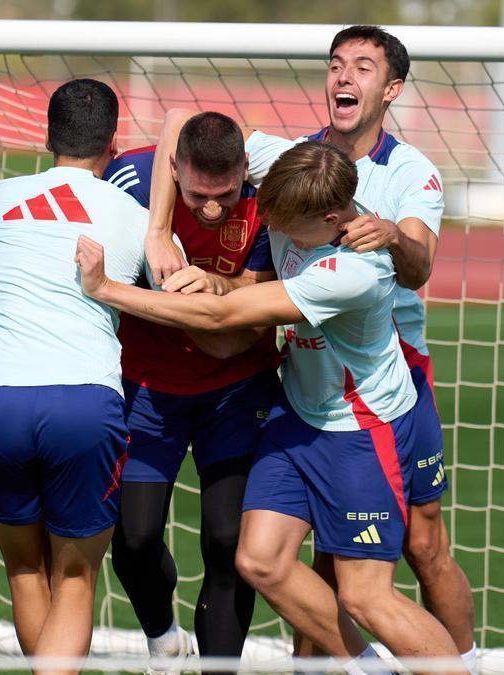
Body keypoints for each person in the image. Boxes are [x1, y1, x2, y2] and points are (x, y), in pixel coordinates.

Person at [143, 25, 477, 673]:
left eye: (363, 67)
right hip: (307, 377)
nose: (344, 76)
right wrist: (159, 231)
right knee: (299, 560)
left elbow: (418, 267)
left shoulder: (410, 173)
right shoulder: (293, 159)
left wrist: (392, 237)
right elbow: (182, 120)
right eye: (335, 64)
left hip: (389, 379)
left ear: (392, 89)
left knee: (421, 546)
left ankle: (468, 661)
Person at [76, 141, 464, 675]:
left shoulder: (355, 271)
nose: (270, 226)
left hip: (360, 430)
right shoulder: (299, 177)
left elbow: (221, 318)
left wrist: (105, 288)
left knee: (366, 595)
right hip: (297, 414)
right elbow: (182, 125)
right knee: (259, 560)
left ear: (330, 220)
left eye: (284, 223)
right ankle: (369, 668)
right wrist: (159, 230)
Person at [0, 78, 151, 675]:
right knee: (75, 577)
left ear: (47, 137)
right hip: (83, 400)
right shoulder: (136, 217)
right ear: (114, 144)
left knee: (25, 569)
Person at [100, 111, 279, 669]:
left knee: (228, 542)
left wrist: (212, 291)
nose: (212, 209)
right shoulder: (128, 182)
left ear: (245, 168)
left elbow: (265, 294)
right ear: (173, 167)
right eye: (199, 195)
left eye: (225, 195)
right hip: (147, 388)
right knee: (133, 542)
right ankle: (164, 640)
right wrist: (155, 238)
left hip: (236, 390)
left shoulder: (271, 193)